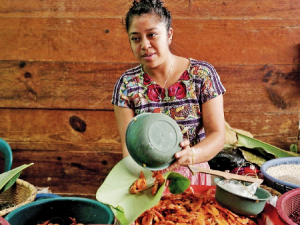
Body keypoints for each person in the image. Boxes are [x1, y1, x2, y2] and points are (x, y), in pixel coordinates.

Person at [112, 0, 225, 185]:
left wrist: (192, 154)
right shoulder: (127, 85)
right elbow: (129, 151)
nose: (144, 45)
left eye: (152, 35)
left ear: (169, 34)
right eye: (135, 38)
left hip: (193, 174)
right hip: (147, 178)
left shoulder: (202, 75)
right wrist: (142, 184)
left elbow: (217, 136)